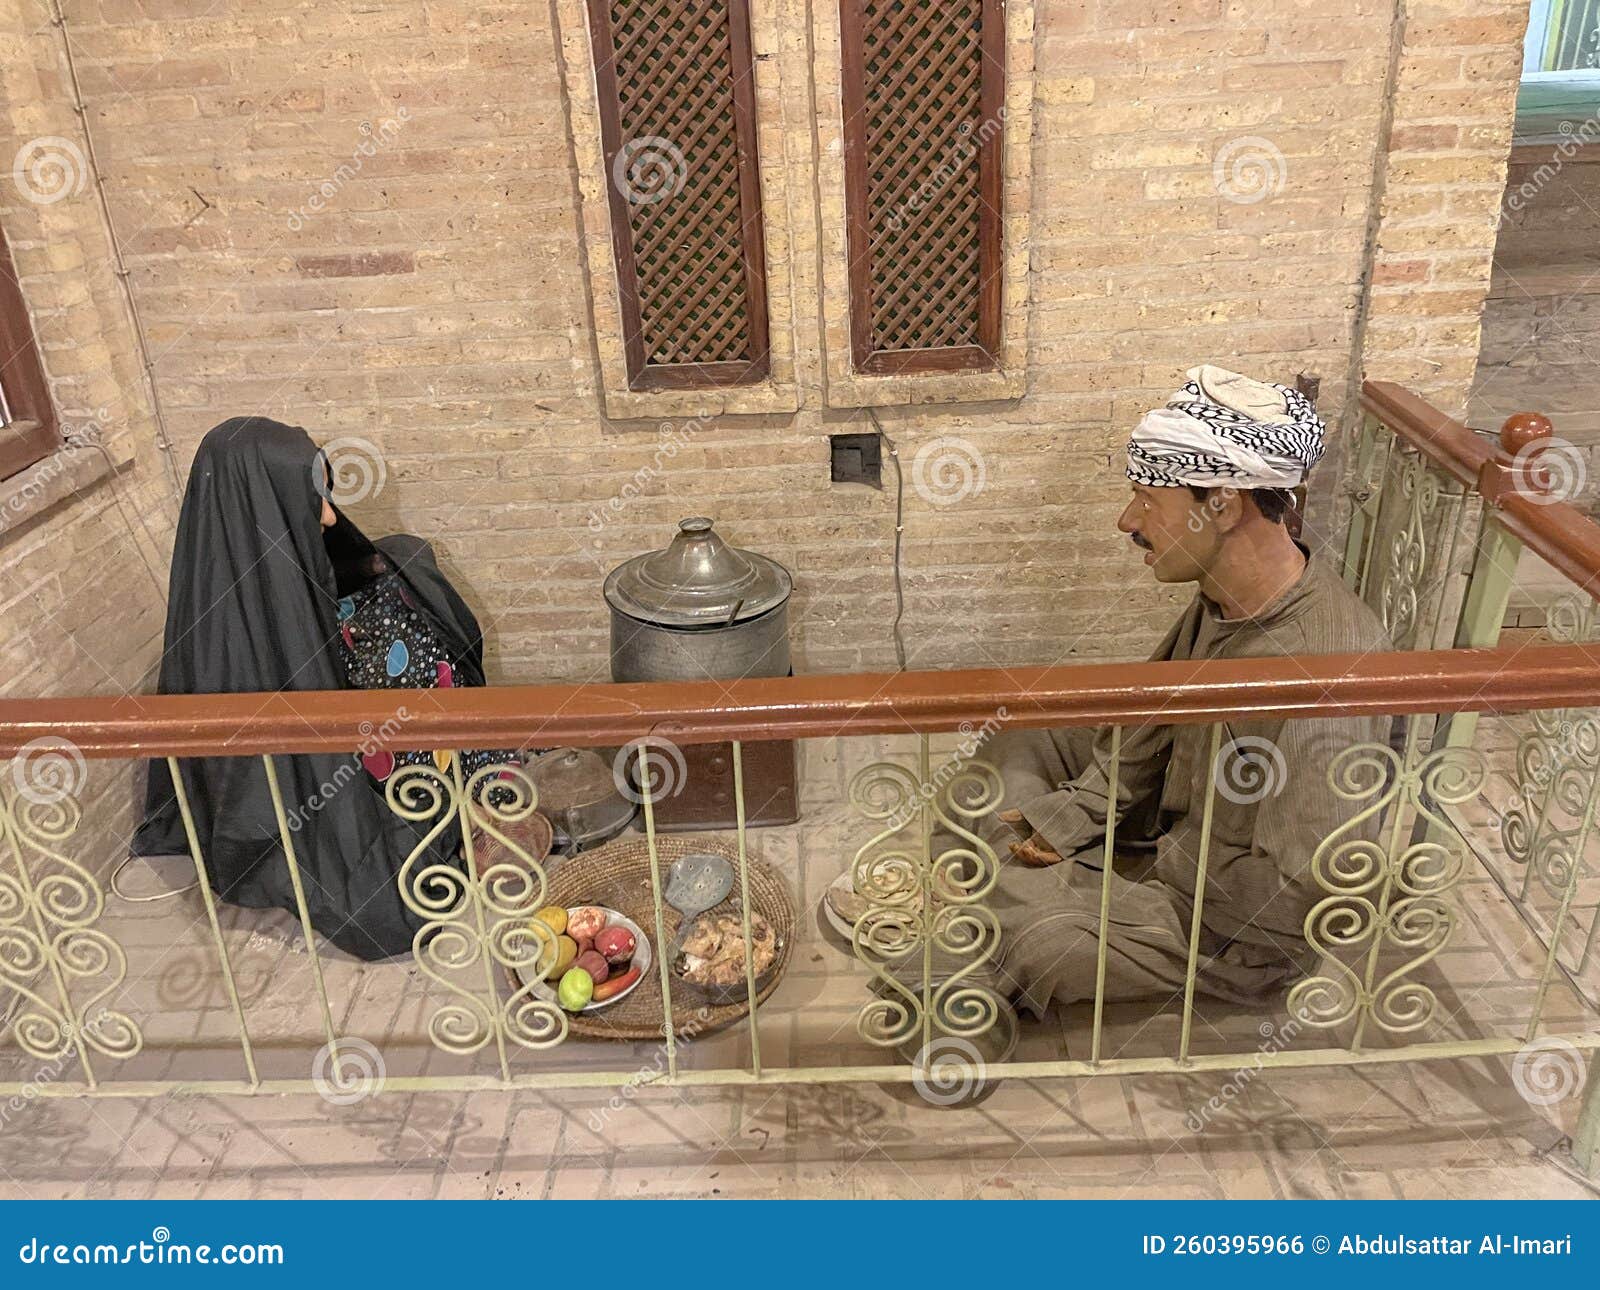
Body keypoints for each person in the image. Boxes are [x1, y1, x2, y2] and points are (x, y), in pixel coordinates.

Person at [848, 366, 1393, 1019]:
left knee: (1040, 932)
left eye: (1147, 501)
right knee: (1028, 727)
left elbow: (1295, 894)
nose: (1127, 521)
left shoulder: (1331, 668)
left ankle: (983, 917)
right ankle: (995, 889)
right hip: (1166, 825)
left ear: (1221, 505)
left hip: (1220, 928)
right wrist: (1079, 816)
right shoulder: (1226, 597)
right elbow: (1152, 715)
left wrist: (1127, 881)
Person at [132, 417, 525, 961]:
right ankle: (431, 786)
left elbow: (335, 567)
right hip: (315, 761)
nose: (329, 516)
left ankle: (451, 764)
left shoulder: (260, 542)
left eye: (324, 493)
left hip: (350, 686)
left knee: (410, 563)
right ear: (266, 506)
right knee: (390, 909)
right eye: (312, 498)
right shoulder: (233, 635)